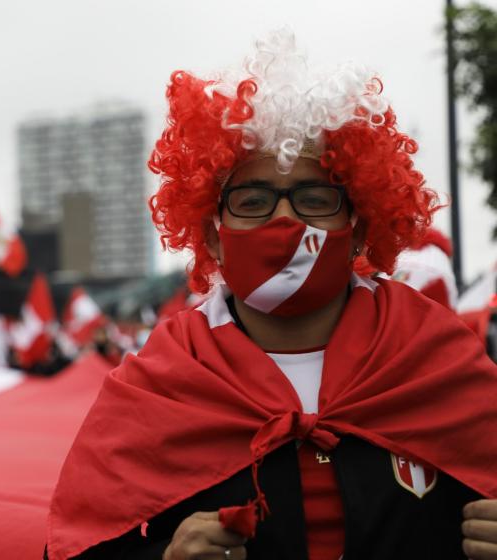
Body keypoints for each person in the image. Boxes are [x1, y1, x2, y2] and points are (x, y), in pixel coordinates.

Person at [45, 31, 497, 560]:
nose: (285, 220)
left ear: (356, 225)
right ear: (213, 231)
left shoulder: (435, 351)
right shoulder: (158, 380)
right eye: (254, 200)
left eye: (313, 197)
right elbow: (72, 548)